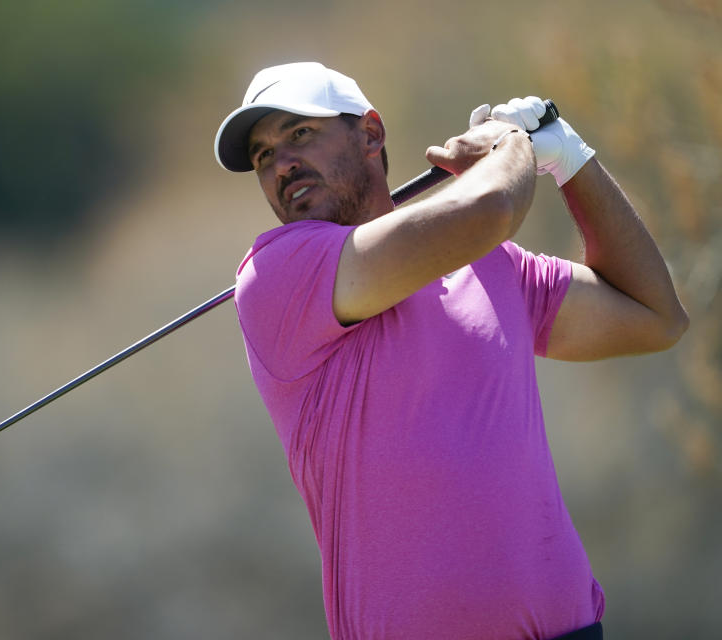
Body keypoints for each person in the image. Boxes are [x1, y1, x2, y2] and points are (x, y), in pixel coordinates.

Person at [213, 62, 688, 640]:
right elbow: (491, 210)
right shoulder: (276, 275)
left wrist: (569, 158)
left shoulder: (490, 263)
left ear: (370, 134)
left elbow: (654, 317)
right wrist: (514, 144)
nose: (282, 163)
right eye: (263, 156)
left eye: (299, 134)